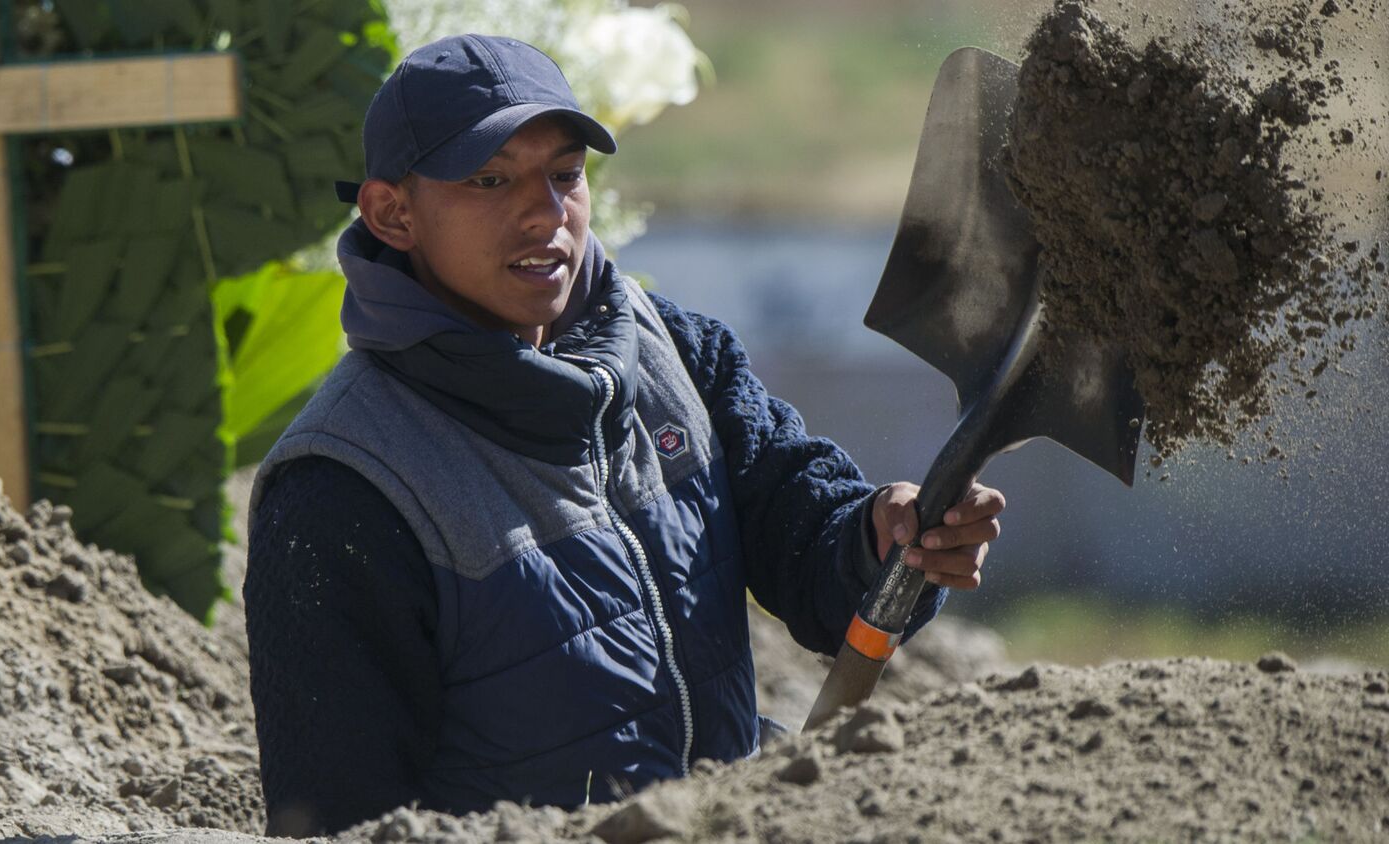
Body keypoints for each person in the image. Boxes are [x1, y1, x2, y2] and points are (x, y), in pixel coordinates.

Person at [243, 34, 1006, 837]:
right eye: (490, 179)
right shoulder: (342, 491)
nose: (545, 211)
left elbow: (802, 537)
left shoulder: (670, 351)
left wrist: (879, 539)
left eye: (564, 174)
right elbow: (335, 825)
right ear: (393, 214)